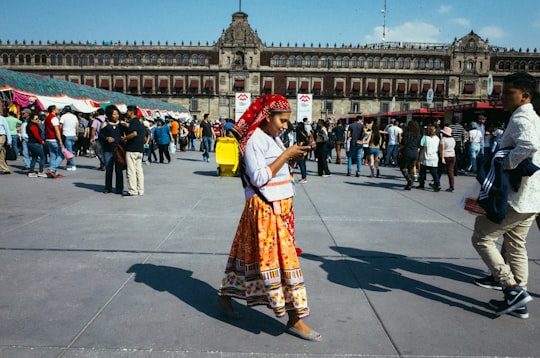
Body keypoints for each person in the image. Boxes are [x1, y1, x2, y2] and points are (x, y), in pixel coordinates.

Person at [217, 94, 320, 342]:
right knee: (286, 265)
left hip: (279, 209)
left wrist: (295, 155)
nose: (285, 126)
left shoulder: (273, 138)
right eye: (282, 121)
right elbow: (260, 177)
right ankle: (295, 319)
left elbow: (277, 171)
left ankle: (225, 295)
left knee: (247, 255)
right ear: (267, 117)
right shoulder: (254, 141)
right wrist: (286, 155)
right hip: (265, 210)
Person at [472, 72, 540, 318]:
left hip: (516, 196)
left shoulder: (522, 118)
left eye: (508, 93)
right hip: (533, 198)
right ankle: (519, 300)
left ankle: (511, 289)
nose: (502, 97)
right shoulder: (533, 117)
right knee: (515, 245)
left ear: (525, 96)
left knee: (481, 237)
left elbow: (528, 145)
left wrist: (505, 163)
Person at [121, 105, 145, 197]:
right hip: (139, 149)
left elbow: (134, 133)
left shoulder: (133, 122)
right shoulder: (140, 122)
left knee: (131, 171)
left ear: (131, 112)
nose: (127, 113)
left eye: (127, 111)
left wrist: (125, 138)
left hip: (132, 149)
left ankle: (133, 190)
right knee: (139, 170)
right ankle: (140, 189)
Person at [99, 105, 123, 194]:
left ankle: (119, 188)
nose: (116, 116)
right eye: (114, 114)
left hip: (118, 150)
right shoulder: (105, 124)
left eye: (117, 114)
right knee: (109, 169)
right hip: (108, 150)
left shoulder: (121, 124)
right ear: (109, 115)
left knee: (119, 170)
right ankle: (107, 187)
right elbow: (100, 136)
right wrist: (106, 138)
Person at [398, 121, 421, 190]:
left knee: (403, 167)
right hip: (415, 153)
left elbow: (403, 143)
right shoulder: (418, 135)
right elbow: (419, 145)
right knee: (411, 168)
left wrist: (399, 150)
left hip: (407, 152)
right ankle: (410, 184)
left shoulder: (406, 134)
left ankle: (409, 180)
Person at [417, 125, 440, 191]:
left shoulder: (424, 138)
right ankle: (437, 183)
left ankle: (422, 184)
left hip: (426, 156)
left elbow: (421, 146)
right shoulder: (437, 138)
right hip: (434, 156)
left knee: (422, 171)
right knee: (434, 172)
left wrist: (419, 154)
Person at [43, 105, 64, 178]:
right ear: (53, 110)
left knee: (53, 156)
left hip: (48, 139)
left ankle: (54, 172)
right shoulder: (54, 118)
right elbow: (57, 131)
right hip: (54, 139)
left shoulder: (47, 118)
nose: (58, 110)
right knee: (61, 155)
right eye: (57, 109)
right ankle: (52, 169)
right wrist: (60, 141)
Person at [26, 113, 48, 177]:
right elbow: (37, 135)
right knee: (43, 156)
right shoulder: (33, 126)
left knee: (34, 157)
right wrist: (42, 141)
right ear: (32, 120)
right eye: (36, 119)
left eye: (38, 118)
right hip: (34, 143)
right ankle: (41, 171)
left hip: (31, 143)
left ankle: (31, 172)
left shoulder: (31, 125)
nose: (37, 120)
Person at [60, 106, 78, 171]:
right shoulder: (74, 116)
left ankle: (72, 165)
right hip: (73, 134)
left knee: (69, 151)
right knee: (69, 150)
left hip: (66, 134)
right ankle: (68, 164)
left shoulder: (63, 116)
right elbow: (76, 126)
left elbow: (60, 126)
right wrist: (77, 135)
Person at [439, 126, 456, 192]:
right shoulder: (452, 139)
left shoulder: (443, 139)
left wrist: (442, 158)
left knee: (439, 170)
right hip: (452, 155)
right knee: (450, 172)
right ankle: (452, 187)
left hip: (446, 155)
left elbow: (442, 149)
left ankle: (436, 183)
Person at [295, 119, 310, 183]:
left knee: (302, 164)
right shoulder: (305, 132)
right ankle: (304, 177)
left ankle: (304, 178)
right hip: (306, 150)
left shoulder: (299, 133)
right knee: (303, 164)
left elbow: (301, 142)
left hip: (301, 150)